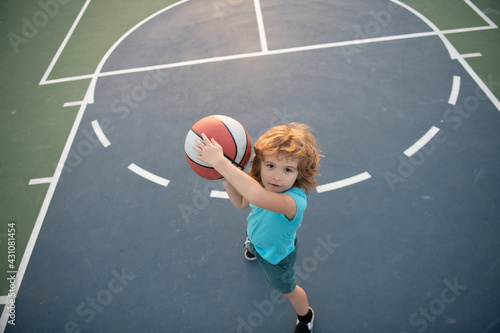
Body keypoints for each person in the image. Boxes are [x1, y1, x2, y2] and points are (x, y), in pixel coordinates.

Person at [194, 123, 321, 333]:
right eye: (270, 165)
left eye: (287, 169)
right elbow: (241, 203)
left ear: (299, 174)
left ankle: (305, 316)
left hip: (276, 256)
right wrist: (223, 174)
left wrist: (220, 161)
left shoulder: (294, 202)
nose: (276, 176)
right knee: (252, 241)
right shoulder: (261, 183)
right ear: (260, 163)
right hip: (255, 236)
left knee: (289, 290)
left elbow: (257, 197)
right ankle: (251, 250)